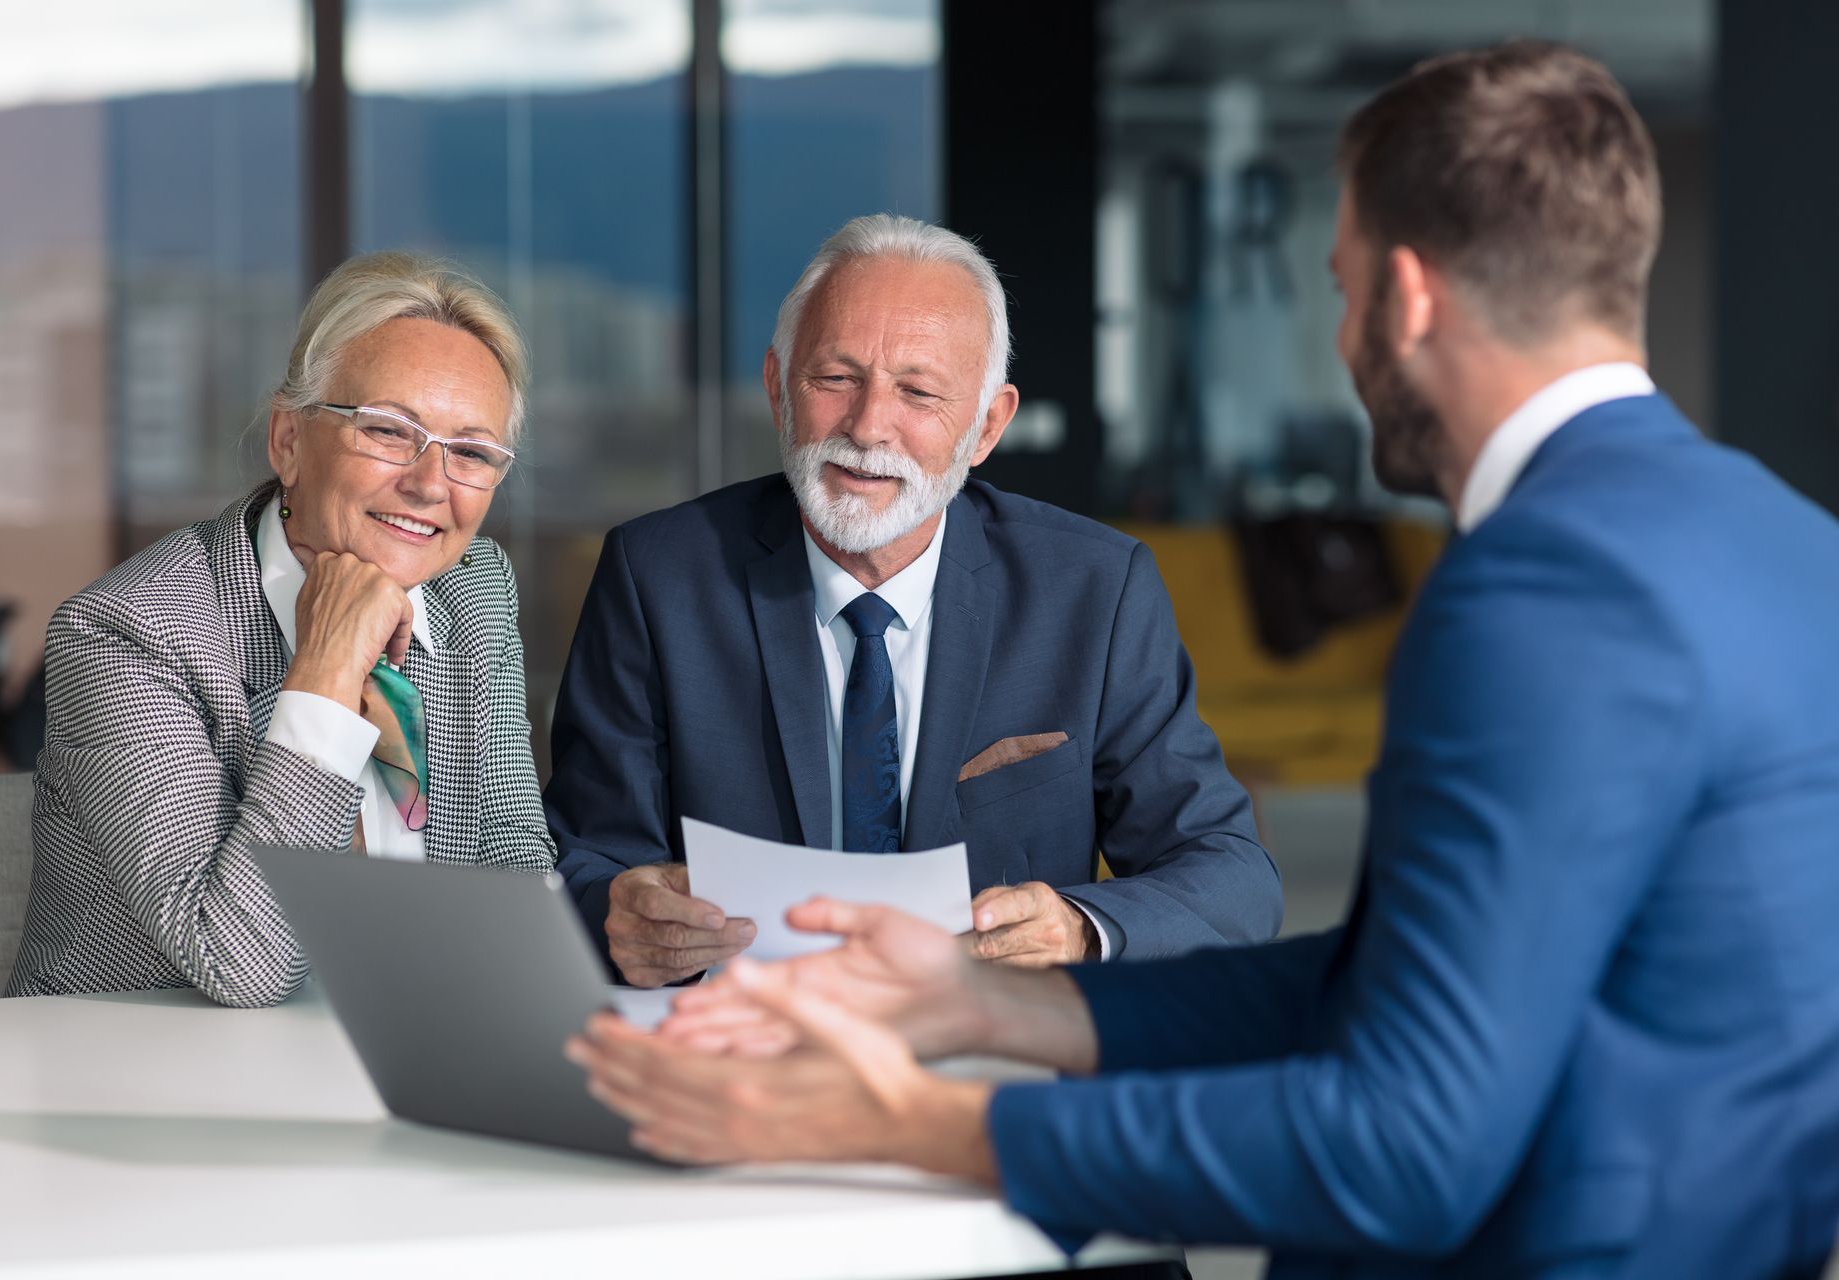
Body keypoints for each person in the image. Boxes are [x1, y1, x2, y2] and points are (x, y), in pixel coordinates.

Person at [570, 42, 1839, 1278]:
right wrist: (989, 1010)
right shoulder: (1789, 544)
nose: (1342, 343)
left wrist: (917, 1124)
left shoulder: (1540, 584)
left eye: (1338, 291)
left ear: (1403, 299)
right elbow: (1401, 979)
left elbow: (1408, 1139)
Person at [544, 213, 1280, 988]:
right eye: (836, 379)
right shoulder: (658, 575)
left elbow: (1233, 880)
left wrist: (1079, 929)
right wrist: (616, 915)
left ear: (988, 425)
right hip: (741, 1043)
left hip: (992, 1055)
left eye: (918, 392)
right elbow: (586, 856)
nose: (868, 428)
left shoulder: (1094, 590)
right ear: (776, 387)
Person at [8, 251, 557, 1008]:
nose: (431, 484)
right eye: (390, 432)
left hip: (397, 1057)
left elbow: (511, 859)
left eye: (470, 452)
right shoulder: (128, 633)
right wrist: (327, 673)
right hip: (141, 1083)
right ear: (289, 442)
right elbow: (245, 964)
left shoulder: (473, 591)